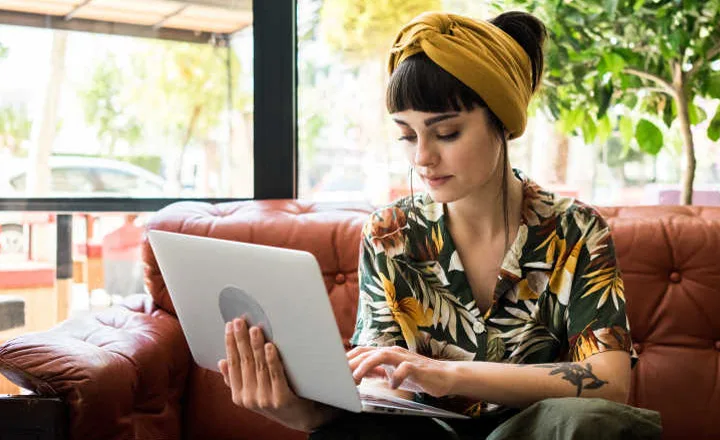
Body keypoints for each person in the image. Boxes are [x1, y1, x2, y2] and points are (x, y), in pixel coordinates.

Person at [217, 10, 662, 440]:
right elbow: (378, 386)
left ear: (502, 122)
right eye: (407, 136)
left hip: (537, 433)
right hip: (426, 433)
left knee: (589, 424)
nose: (422, 157)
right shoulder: (389, 233)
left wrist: (449, 374)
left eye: (446, 133)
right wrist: (295, 410)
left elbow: (609, 381)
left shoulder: (576, 230)